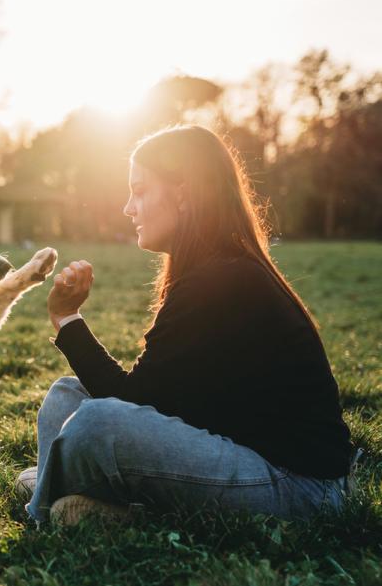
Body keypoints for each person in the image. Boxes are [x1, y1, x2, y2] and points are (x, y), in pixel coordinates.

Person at [19, 125, 355, 526]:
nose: (128, 207)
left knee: (97, 421)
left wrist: (67, 320)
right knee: (66, 395)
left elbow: (131, 401)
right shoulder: (210, 270)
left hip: (301, 490)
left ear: (182, 192)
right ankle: (87, 499)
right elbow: (160, 401)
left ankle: (50, 502)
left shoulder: (225, 278)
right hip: (237, 449)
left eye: (140, 191)